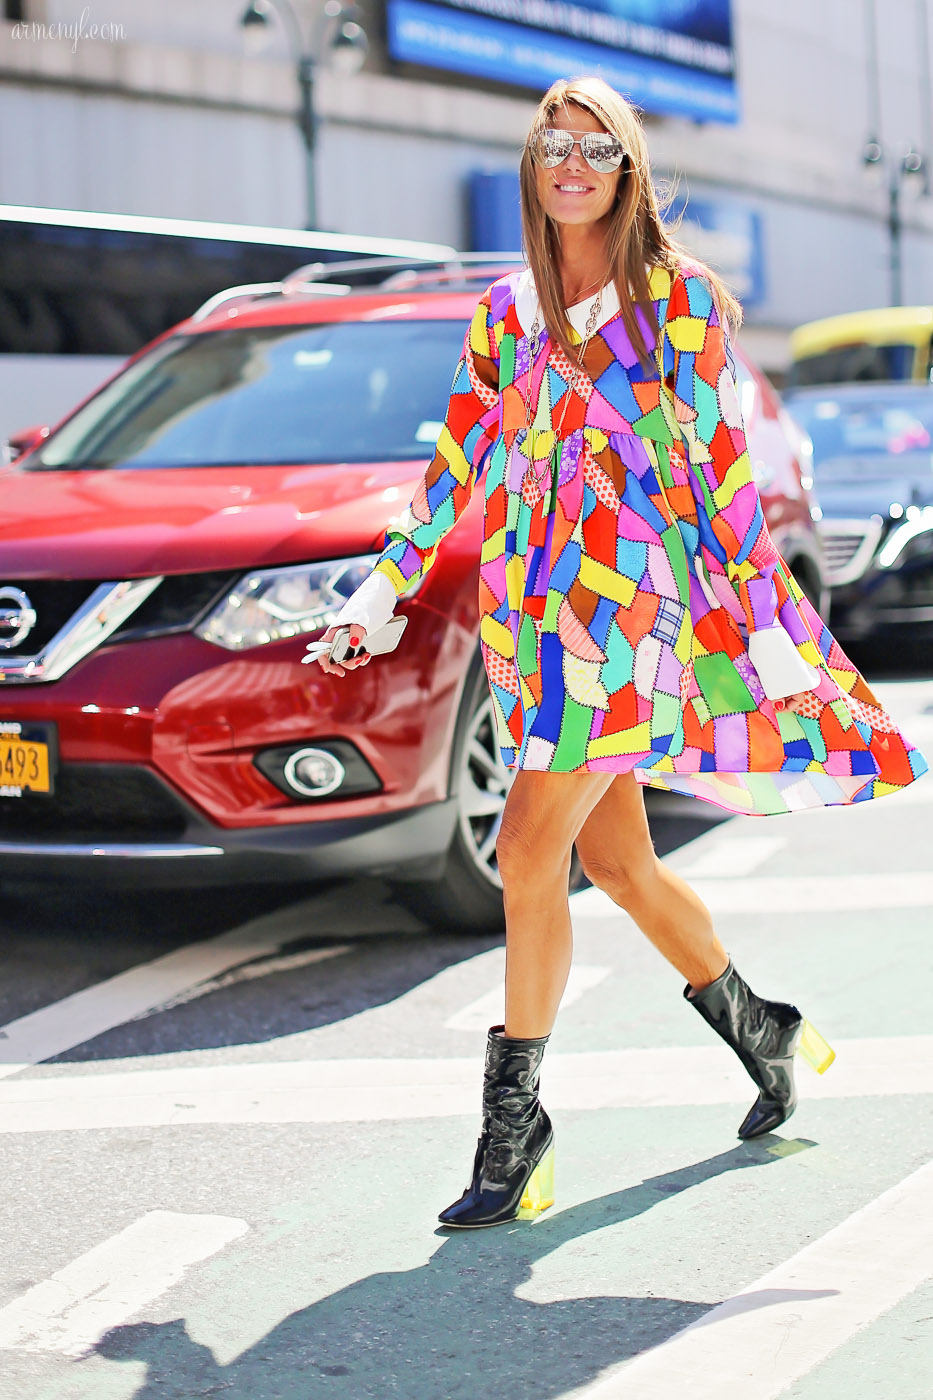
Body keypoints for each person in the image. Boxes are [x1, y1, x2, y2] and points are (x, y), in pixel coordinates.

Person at [312, 76, 927, 1230]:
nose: (574, 161)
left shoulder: (675, 301)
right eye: (556, 142)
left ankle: (516, 1125)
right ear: (534, 163)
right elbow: (455, 470)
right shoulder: (506, 312)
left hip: (627, 616)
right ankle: (768, 1032)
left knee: (530, 847)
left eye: (598, 145)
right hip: (533, 616)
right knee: (627, 866)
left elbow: (720, 479)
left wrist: (770, 627)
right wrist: (382, 580)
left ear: (629, 167)